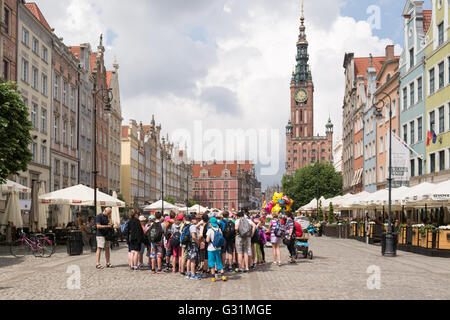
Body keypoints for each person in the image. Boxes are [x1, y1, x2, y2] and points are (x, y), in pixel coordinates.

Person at [206, 217, 227, 282]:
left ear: (211, 223)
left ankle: (213, 276)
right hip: (218, 248)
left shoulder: (209, 230)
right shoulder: (219, 229)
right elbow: (221, 237)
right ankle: (223, 275)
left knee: (211, 262)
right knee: (219, 261)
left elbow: (207, 240)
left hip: (211, 248)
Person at [184, 214, 201, 280]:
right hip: (193, 243)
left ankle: (188, 273)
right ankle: (193, 274)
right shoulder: (192, 226)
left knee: (189, 259)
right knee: (193, 260)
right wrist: (197, 242)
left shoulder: (186, 226)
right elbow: (193, 236)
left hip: (188, 243)